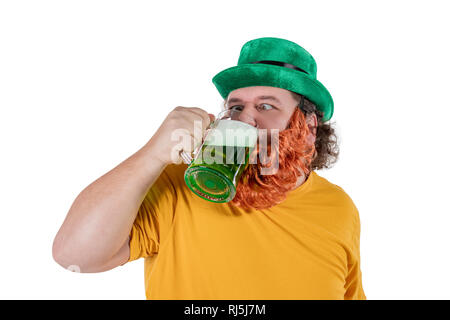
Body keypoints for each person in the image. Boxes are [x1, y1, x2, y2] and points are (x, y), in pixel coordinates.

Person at [53, 37, 366, 300]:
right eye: (236, 107)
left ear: (309, 126)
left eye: (266, 106)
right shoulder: (180, 186)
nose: (245, 118)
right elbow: (74, 256)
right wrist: (152, 155)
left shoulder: (339, 207)